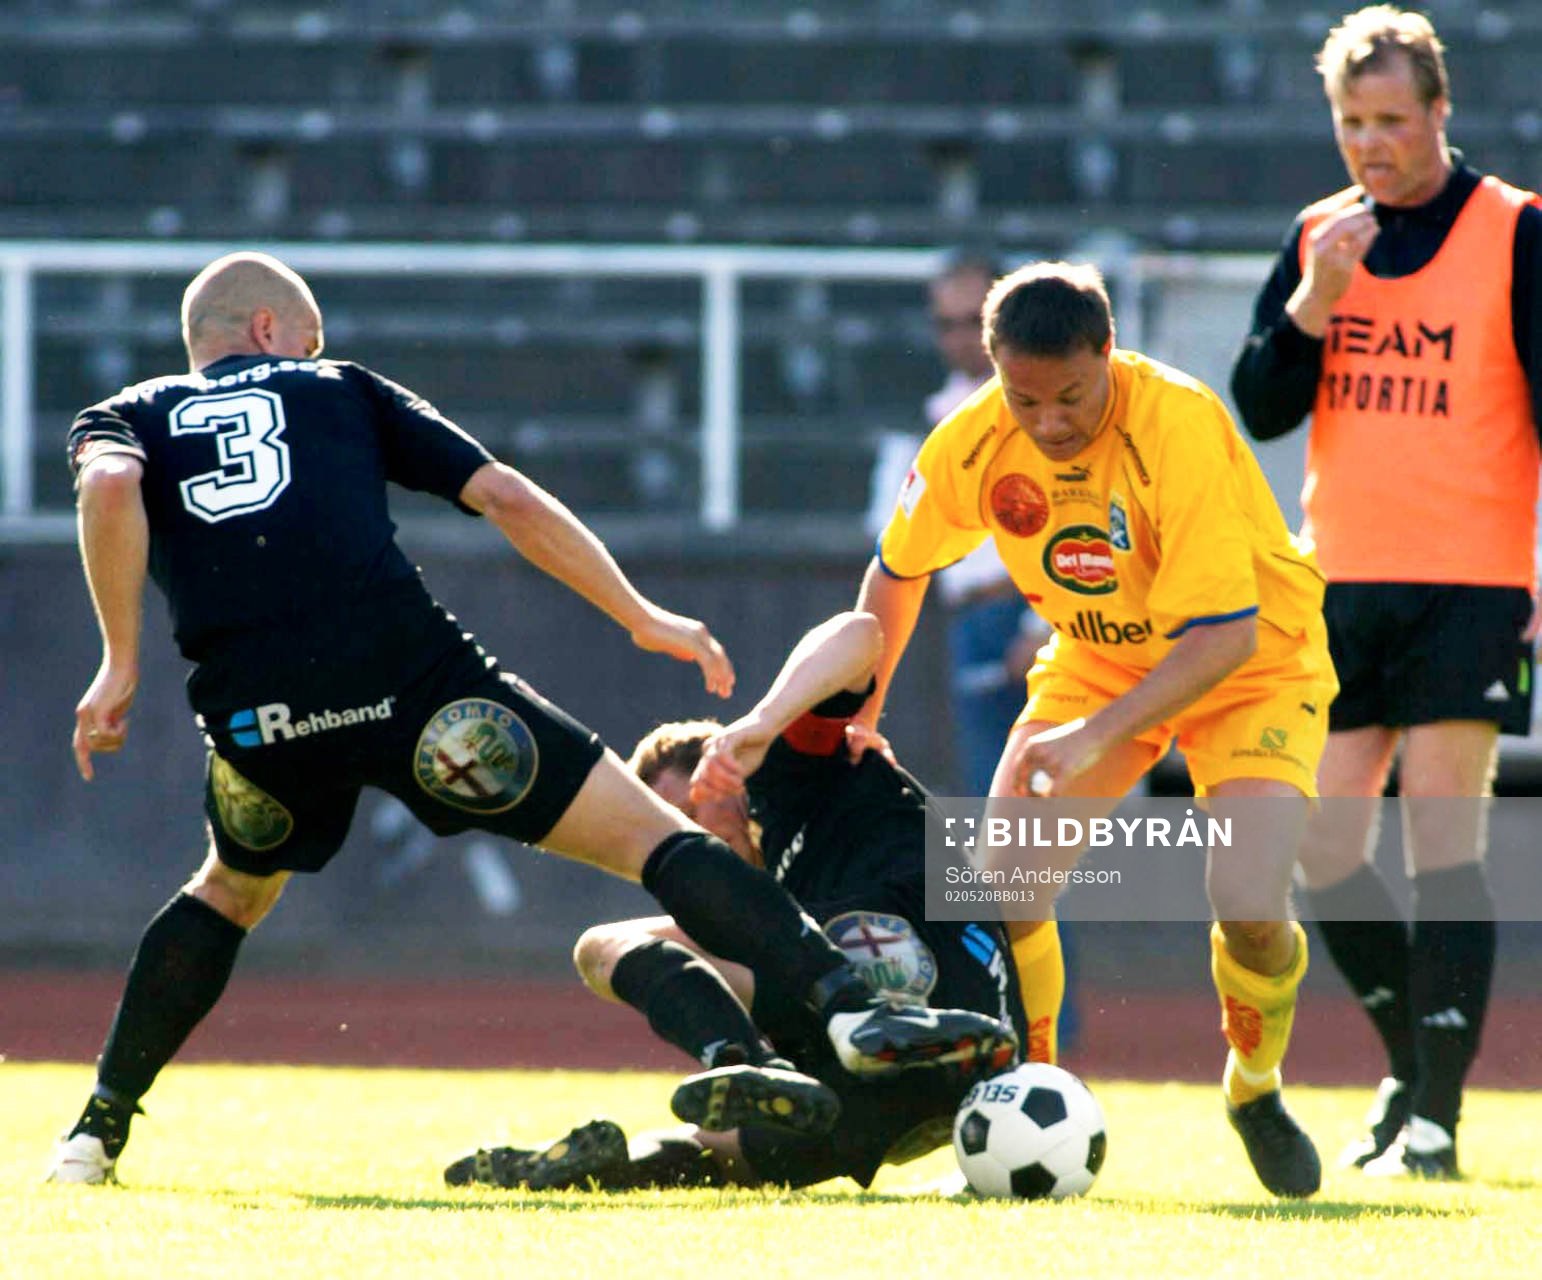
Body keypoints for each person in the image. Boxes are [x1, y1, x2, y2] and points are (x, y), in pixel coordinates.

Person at [46, 251, 1016, 1185]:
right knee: (655, 838)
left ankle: (97, 1127)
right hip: (422, 696)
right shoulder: (338, 384)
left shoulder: (125, 414)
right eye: (305, 337)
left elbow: (108, 485)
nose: (310, 350)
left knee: (228, 889)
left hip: (262, 720)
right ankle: (849, 1008)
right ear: (271, 329)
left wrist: (119, 659)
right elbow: (503, 494)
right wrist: (640, 613)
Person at [855, 260, 1340, 1199]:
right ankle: (1017, 1097)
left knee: (1246, 902)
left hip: (1253, 662)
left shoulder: (1178, 422)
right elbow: (897, 568)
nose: (1048, 422)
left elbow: (1222, 634)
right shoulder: (975, 437)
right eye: (1024, 398)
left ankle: (1254, 1087)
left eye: (1071, 396)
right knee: (1000, 889)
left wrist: (1089, 738)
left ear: (1108, 353)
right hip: (1101, 656)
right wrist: (862, 710)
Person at [1230, 6, 1540, 1180]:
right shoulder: (1322, 235)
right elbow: (1259, 406)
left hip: (1472, 580)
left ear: (1441, 113)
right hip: (1340, 585)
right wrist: (1314, 299)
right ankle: (1417, 1064)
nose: (1372, 145)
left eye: (1393, 122)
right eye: (1353, 123)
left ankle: (1434, 1123)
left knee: (1441, 838)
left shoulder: (1515, 231)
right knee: (1316, 841)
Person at [445, 610, 1025, 1192]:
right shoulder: (746, 904)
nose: (690, 840)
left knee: (629, 946)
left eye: (691, 815)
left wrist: (762, 726)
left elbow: (862, 632)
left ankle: (767, 1063)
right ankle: (686, 1112)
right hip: (886, 1092)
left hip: (953, 1024)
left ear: (727, 770)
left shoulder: (792, 771)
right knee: (713, 1142)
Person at [868, 251, 1070, 1065]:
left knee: (1028, 848)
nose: (958, 337)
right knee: (991, 844)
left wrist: (1039, 622)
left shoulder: (1044, 410)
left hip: (1037, 621)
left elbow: (1077, 523)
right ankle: (1009, 1026)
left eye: (968, 319)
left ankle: (1047, 1036)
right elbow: (897, 554)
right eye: (944, 322)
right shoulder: (940, 419)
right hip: (962, 621)